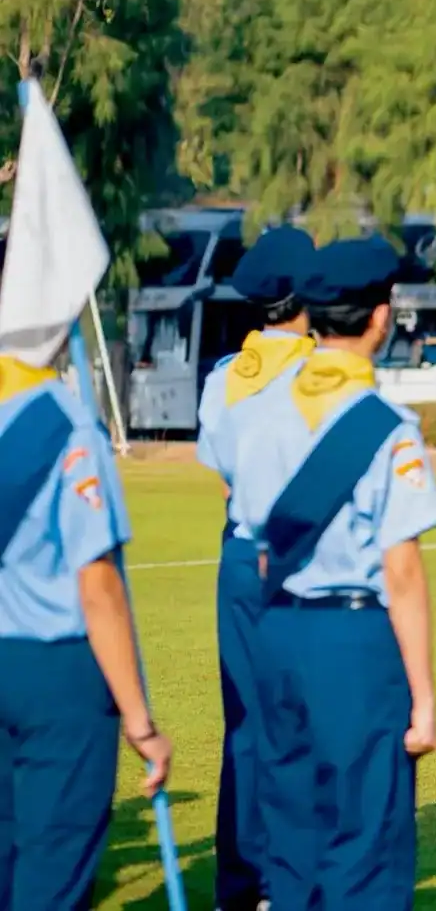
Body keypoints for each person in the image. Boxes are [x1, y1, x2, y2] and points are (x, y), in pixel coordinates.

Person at [238, 235, 436, 909]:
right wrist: (424, 697)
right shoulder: (387, 425)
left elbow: (263, 546)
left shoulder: (262, 411)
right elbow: (403, 571)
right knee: (365, 836)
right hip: (353, 643)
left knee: (290, 834)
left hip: (277, 629)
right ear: (382, 316)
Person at [0, 344, 173, 907]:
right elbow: (97, 585)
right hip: (55, 669)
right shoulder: (65, 420)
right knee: (49, 868)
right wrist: (140, 721)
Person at [194, 225, 315, 911]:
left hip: (239, 555)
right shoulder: (321, 373)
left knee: (243, 725)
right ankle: (290, 883)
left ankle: (238, 886)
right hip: (303, 559)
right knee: (302, 721)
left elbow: (221, 478)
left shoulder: (222, 378)